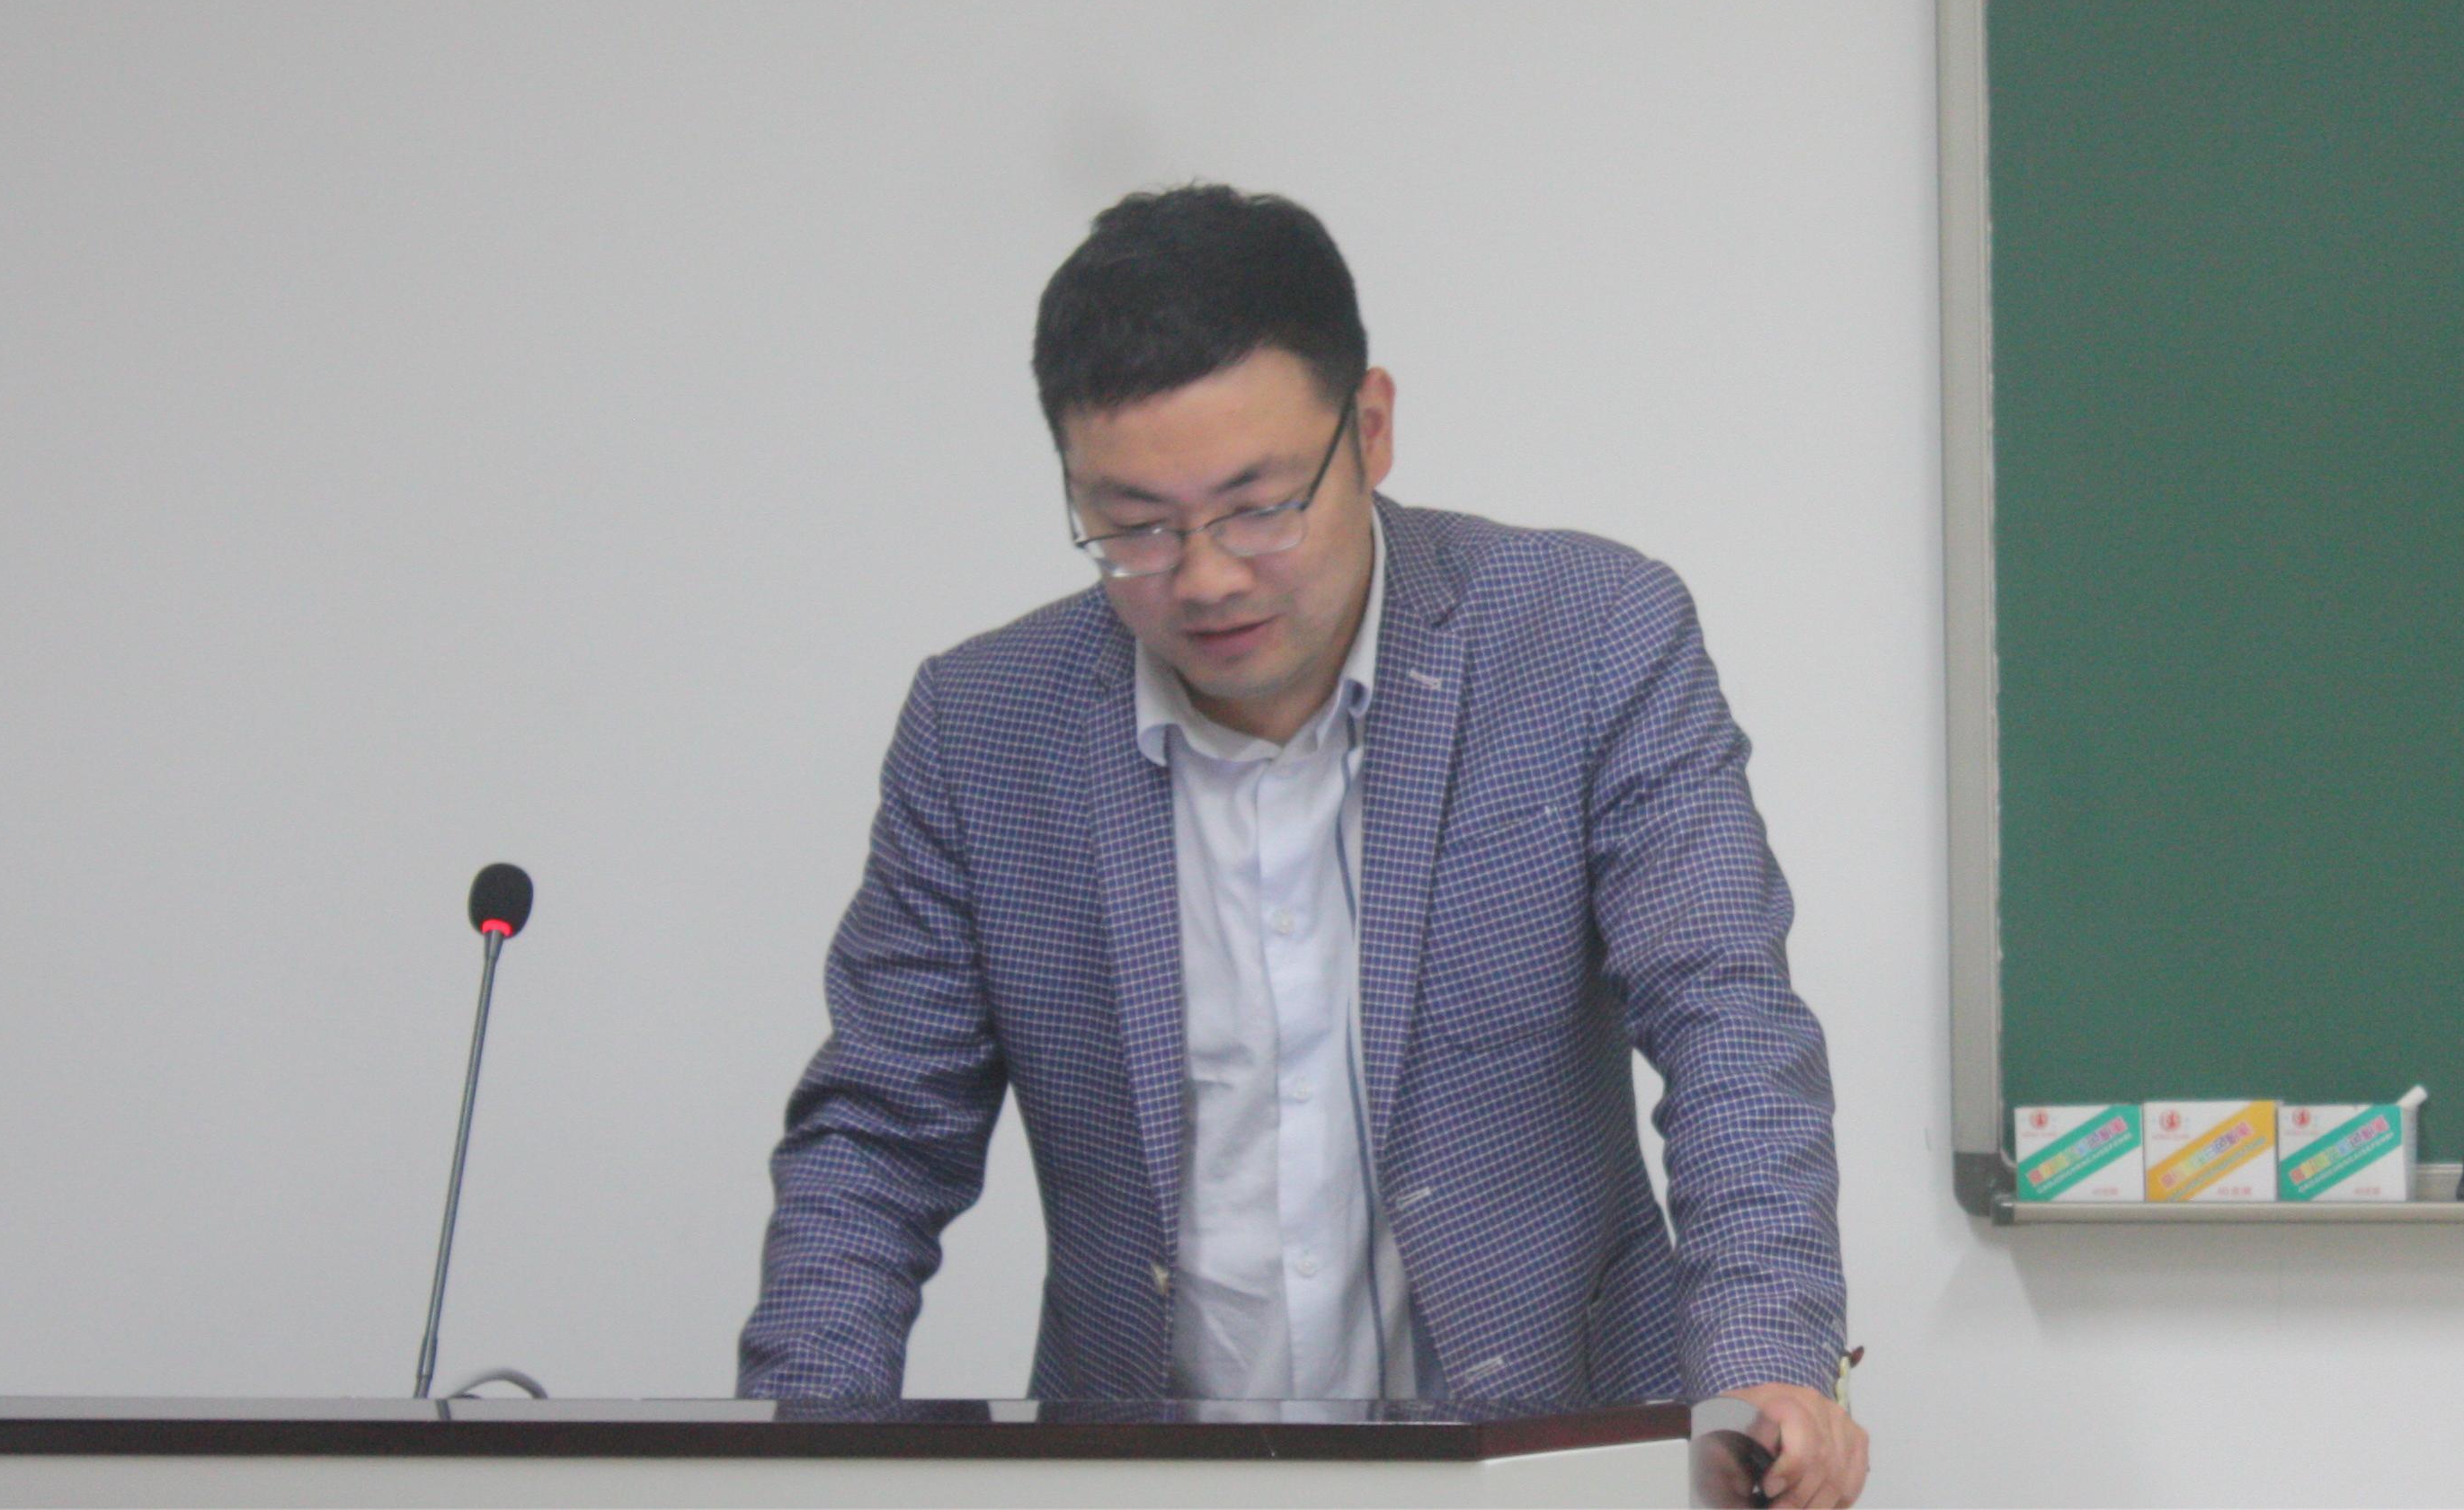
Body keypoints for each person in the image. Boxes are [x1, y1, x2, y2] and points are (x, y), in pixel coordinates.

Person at [740, 184, 1867, 1506]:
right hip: (1148, 1477)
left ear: (1370, 428)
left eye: (1259, 504)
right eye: (1134, 525)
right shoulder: (981, 729)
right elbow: (879, 1138)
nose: (1205, 575)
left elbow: (1726, 1014)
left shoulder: (1589, 637)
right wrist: (791, 1456)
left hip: (1549, 1457)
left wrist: (1765, 1359)